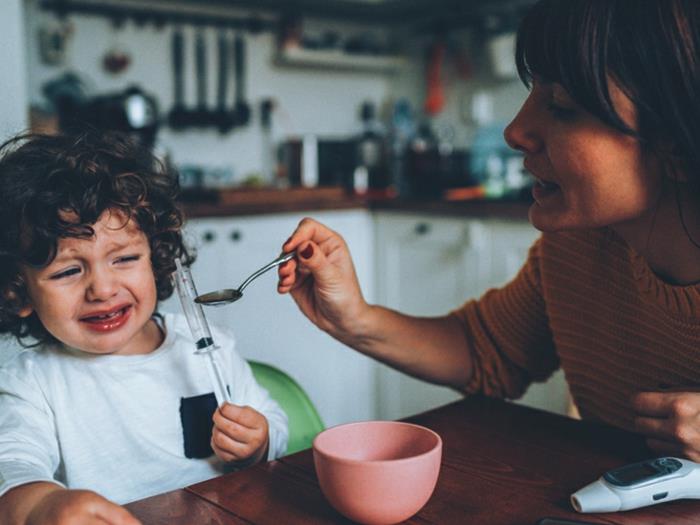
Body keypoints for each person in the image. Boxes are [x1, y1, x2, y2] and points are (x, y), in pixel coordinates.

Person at [279, 0, 700, 462]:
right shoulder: (581, 243)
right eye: (534, 91)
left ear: (676, 144)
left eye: (562, 106)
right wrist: (353, 317)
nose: (515, 130)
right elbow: (489, 351)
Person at [0, 131, 288, 525]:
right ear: (18, 293)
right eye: (68, 270)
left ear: (157, 256)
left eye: (124, 258)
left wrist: (260, 441)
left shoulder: (206, 346)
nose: (102, 289)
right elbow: (12, 467)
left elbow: (271, 419)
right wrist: (38, 506)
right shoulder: (30, 384)